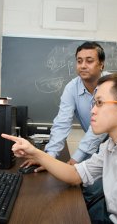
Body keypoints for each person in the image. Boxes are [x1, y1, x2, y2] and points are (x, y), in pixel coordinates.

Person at [2, 72, 117, 223]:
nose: (92, 110)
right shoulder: (111, 145)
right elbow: (75, 175)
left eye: (99, 103)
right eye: (93, 103)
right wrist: (34, 152)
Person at [21, 41, 108, 170]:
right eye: (79, 61)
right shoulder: (71, 88)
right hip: (96, 145)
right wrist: (49, 158)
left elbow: (101, 125)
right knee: (88, 186)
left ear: (101, 65)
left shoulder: (112, 85)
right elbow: (62, 123)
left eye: (89, 61)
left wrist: (76, 158)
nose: (83, 66)